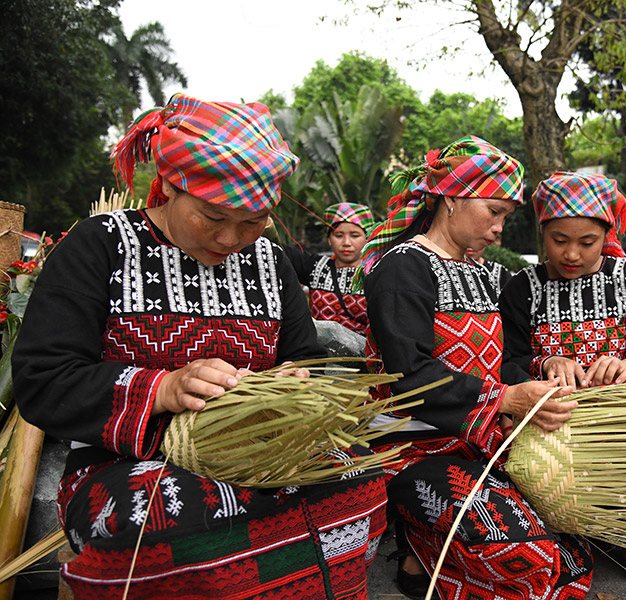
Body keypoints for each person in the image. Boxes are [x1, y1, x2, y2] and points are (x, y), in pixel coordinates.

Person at [12, 94, 387, 600]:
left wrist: (297, 382)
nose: (233, 238)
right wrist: (163, 388)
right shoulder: (100, 245)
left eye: (254, 221)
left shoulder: (270, 262)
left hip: (264, 454)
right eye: (212, 216)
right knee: (168, 517)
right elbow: (43, 378)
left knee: (357, 479)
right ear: (168, 186)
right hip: (127, 462)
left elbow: (306, 358)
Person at [361, 136, 593, 600]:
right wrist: (503, 399)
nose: (500, 227)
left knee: (575, 560)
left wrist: (547, 363)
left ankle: (425, 555)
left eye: (506, 216)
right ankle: (415, 551)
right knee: (532, 560)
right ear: (451, 198)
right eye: (494, 211)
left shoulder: (488, 275)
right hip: (413, 451)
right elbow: (407, 375)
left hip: (482, 446)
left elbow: (503, 358)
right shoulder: (403, 268)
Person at [500, 171, 626, 578]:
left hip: (620, 417)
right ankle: (569, 524)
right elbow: (508, 358)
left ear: (607, 234)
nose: (572, 254)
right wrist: (544, 364)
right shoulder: (522, 287)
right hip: (551, 418)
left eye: (587, 242)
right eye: (559, 241)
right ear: (542, 234)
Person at [285, 201, 375, 335]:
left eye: (355, 236)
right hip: (321, 352)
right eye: (338, 236)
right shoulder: (315, 267)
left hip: (364, 353)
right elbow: (279, 250)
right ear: (329, 239)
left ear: (367, 238)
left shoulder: (375, 273)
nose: (346, 243)